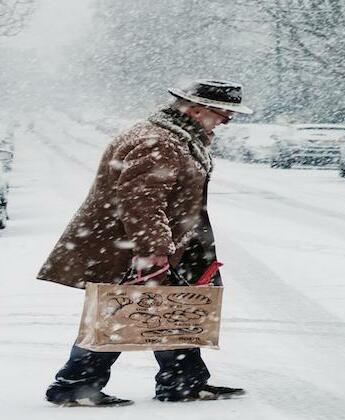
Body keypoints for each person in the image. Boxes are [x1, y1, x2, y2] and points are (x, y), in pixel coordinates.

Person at [37, 80, 253, 406]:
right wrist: (153, 249)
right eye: (224, 112)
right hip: (137, 246)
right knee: (120, 310)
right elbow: (141, 200)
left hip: (169, 242)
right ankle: (74, 386)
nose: (226, 120)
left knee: (175, 307)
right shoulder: (160, 142)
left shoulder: (173, 137)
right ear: (196, 108)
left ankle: (183, 382)